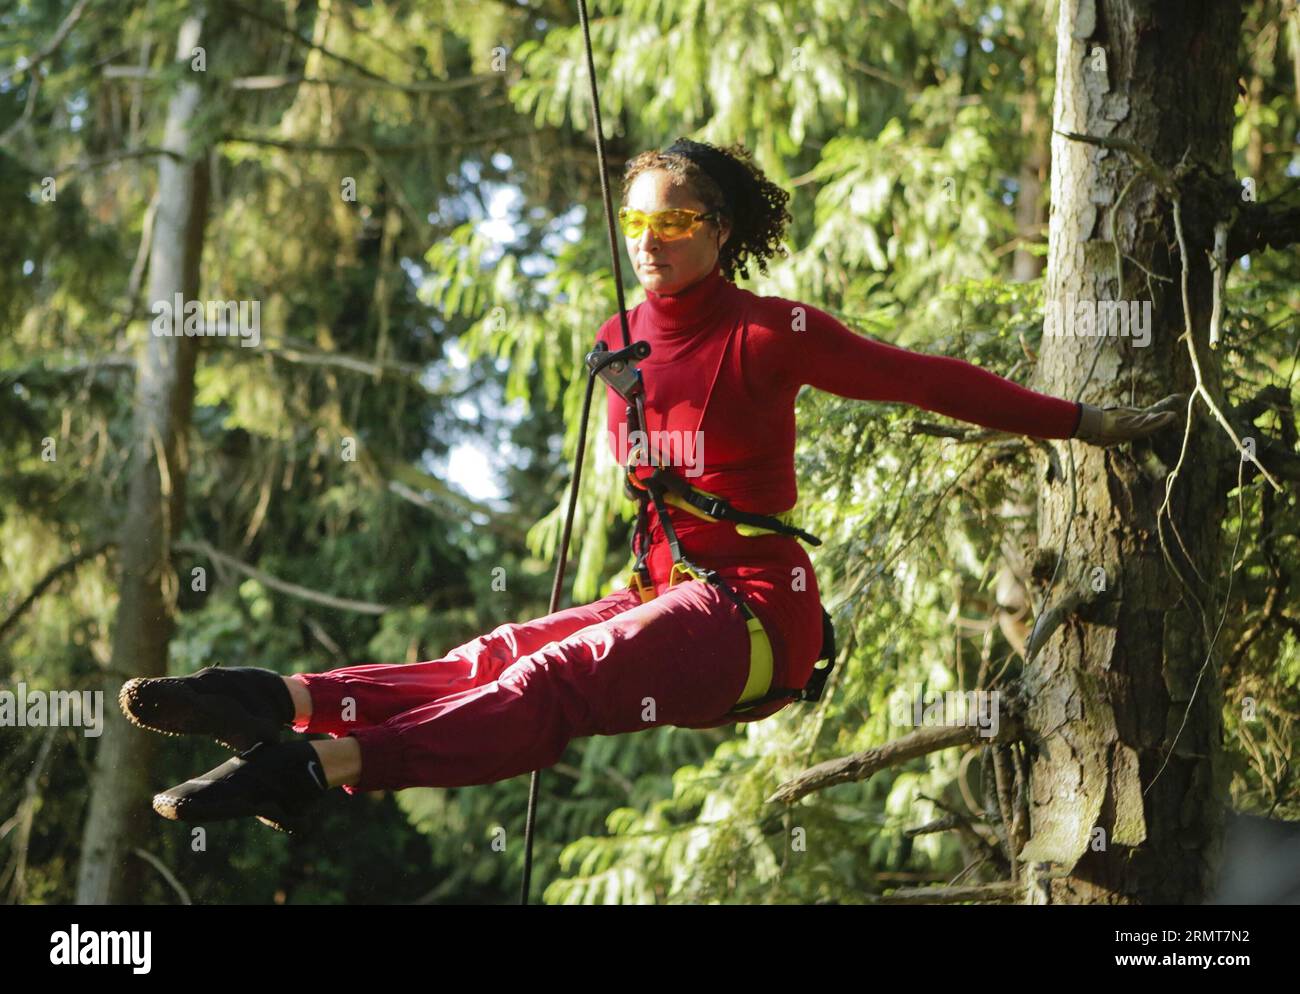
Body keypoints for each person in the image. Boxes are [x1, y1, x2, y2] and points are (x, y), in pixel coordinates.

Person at [120, 138, 1181, 833]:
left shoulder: (772, 332)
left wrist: (1082, 421)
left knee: (550, 681)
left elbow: (924, 381)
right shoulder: (615, 341)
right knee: (490, 656)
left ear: (718, 230)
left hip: (759, 613)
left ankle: (317, 766)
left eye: (674, 224)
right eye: (636, 225)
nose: (651, 243)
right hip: (662, 596)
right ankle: (282, 703)